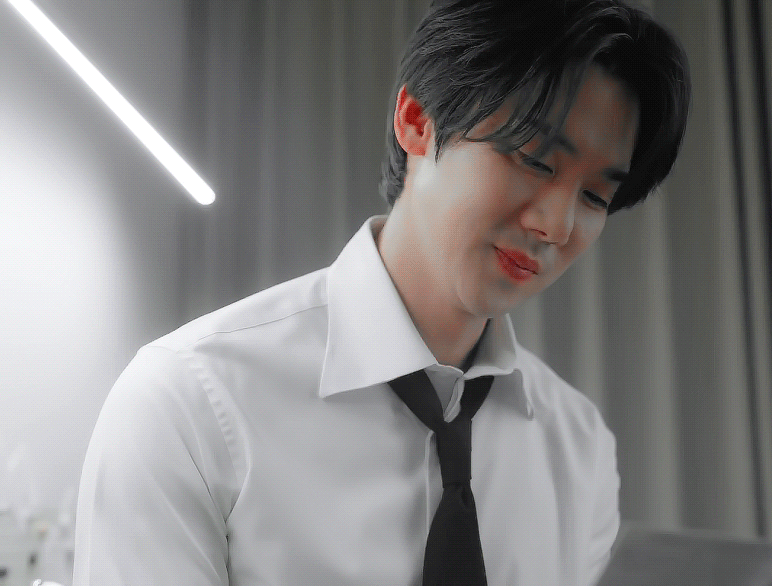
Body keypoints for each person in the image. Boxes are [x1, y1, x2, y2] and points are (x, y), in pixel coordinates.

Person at [73, 0, 690, 584]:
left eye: (595, 197)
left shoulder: (579, 448)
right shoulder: (189, 401)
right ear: (416, 122)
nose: (556, 225)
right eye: (534, 159)